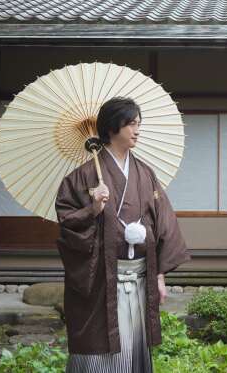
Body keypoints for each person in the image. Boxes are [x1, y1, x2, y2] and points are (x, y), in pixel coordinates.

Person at [55, 96, 190, 373]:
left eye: (138, 124)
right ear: (112, 127)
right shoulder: (81, 177)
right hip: (101, 280)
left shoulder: (145, 174)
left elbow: (163, 222)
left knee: (133, 346)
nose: (137, 130)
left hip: (139, 277)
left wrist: (160, 275)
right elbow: (67, 224)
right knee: (99, 345)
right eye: (131, 124)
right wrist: (93, 208)